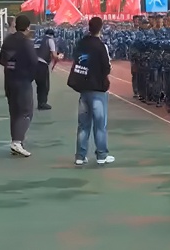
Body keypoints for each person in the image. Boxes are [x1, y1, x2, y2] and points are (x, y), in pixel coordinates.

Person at [67, 17, 115, 166]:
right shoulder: (101, 46)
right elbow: (106, 68)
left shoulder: (81, 43)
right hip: (98, 89)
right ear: (101, 28)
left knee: (83, 124)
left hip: (83, 88)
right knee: (100, 125)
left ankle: (80, 156)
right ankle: (101, 155)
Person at [0, 15, 39, 157]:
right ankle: (17, 141)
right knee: (25, 112)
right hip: (23, 81)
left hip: (10, 81)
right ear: (28, 27)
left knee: (14, 112)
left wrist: (11, 66)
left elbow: (1, 60)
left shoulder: (8, 40)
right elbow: (34, 62)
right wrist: (29, 76)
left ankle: (16, 141)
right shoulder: (26, 43)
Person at [34, 28, 63, 110]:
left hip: (34, 63)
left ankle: (40, 102)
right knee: (44, 85)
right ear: (52, 35)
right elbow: (54, 55)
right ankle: (42, 103)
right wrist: (59, 56)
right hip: (42, 64)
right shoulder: (50, 40)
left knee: (39, 84)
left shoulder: (38, 40)